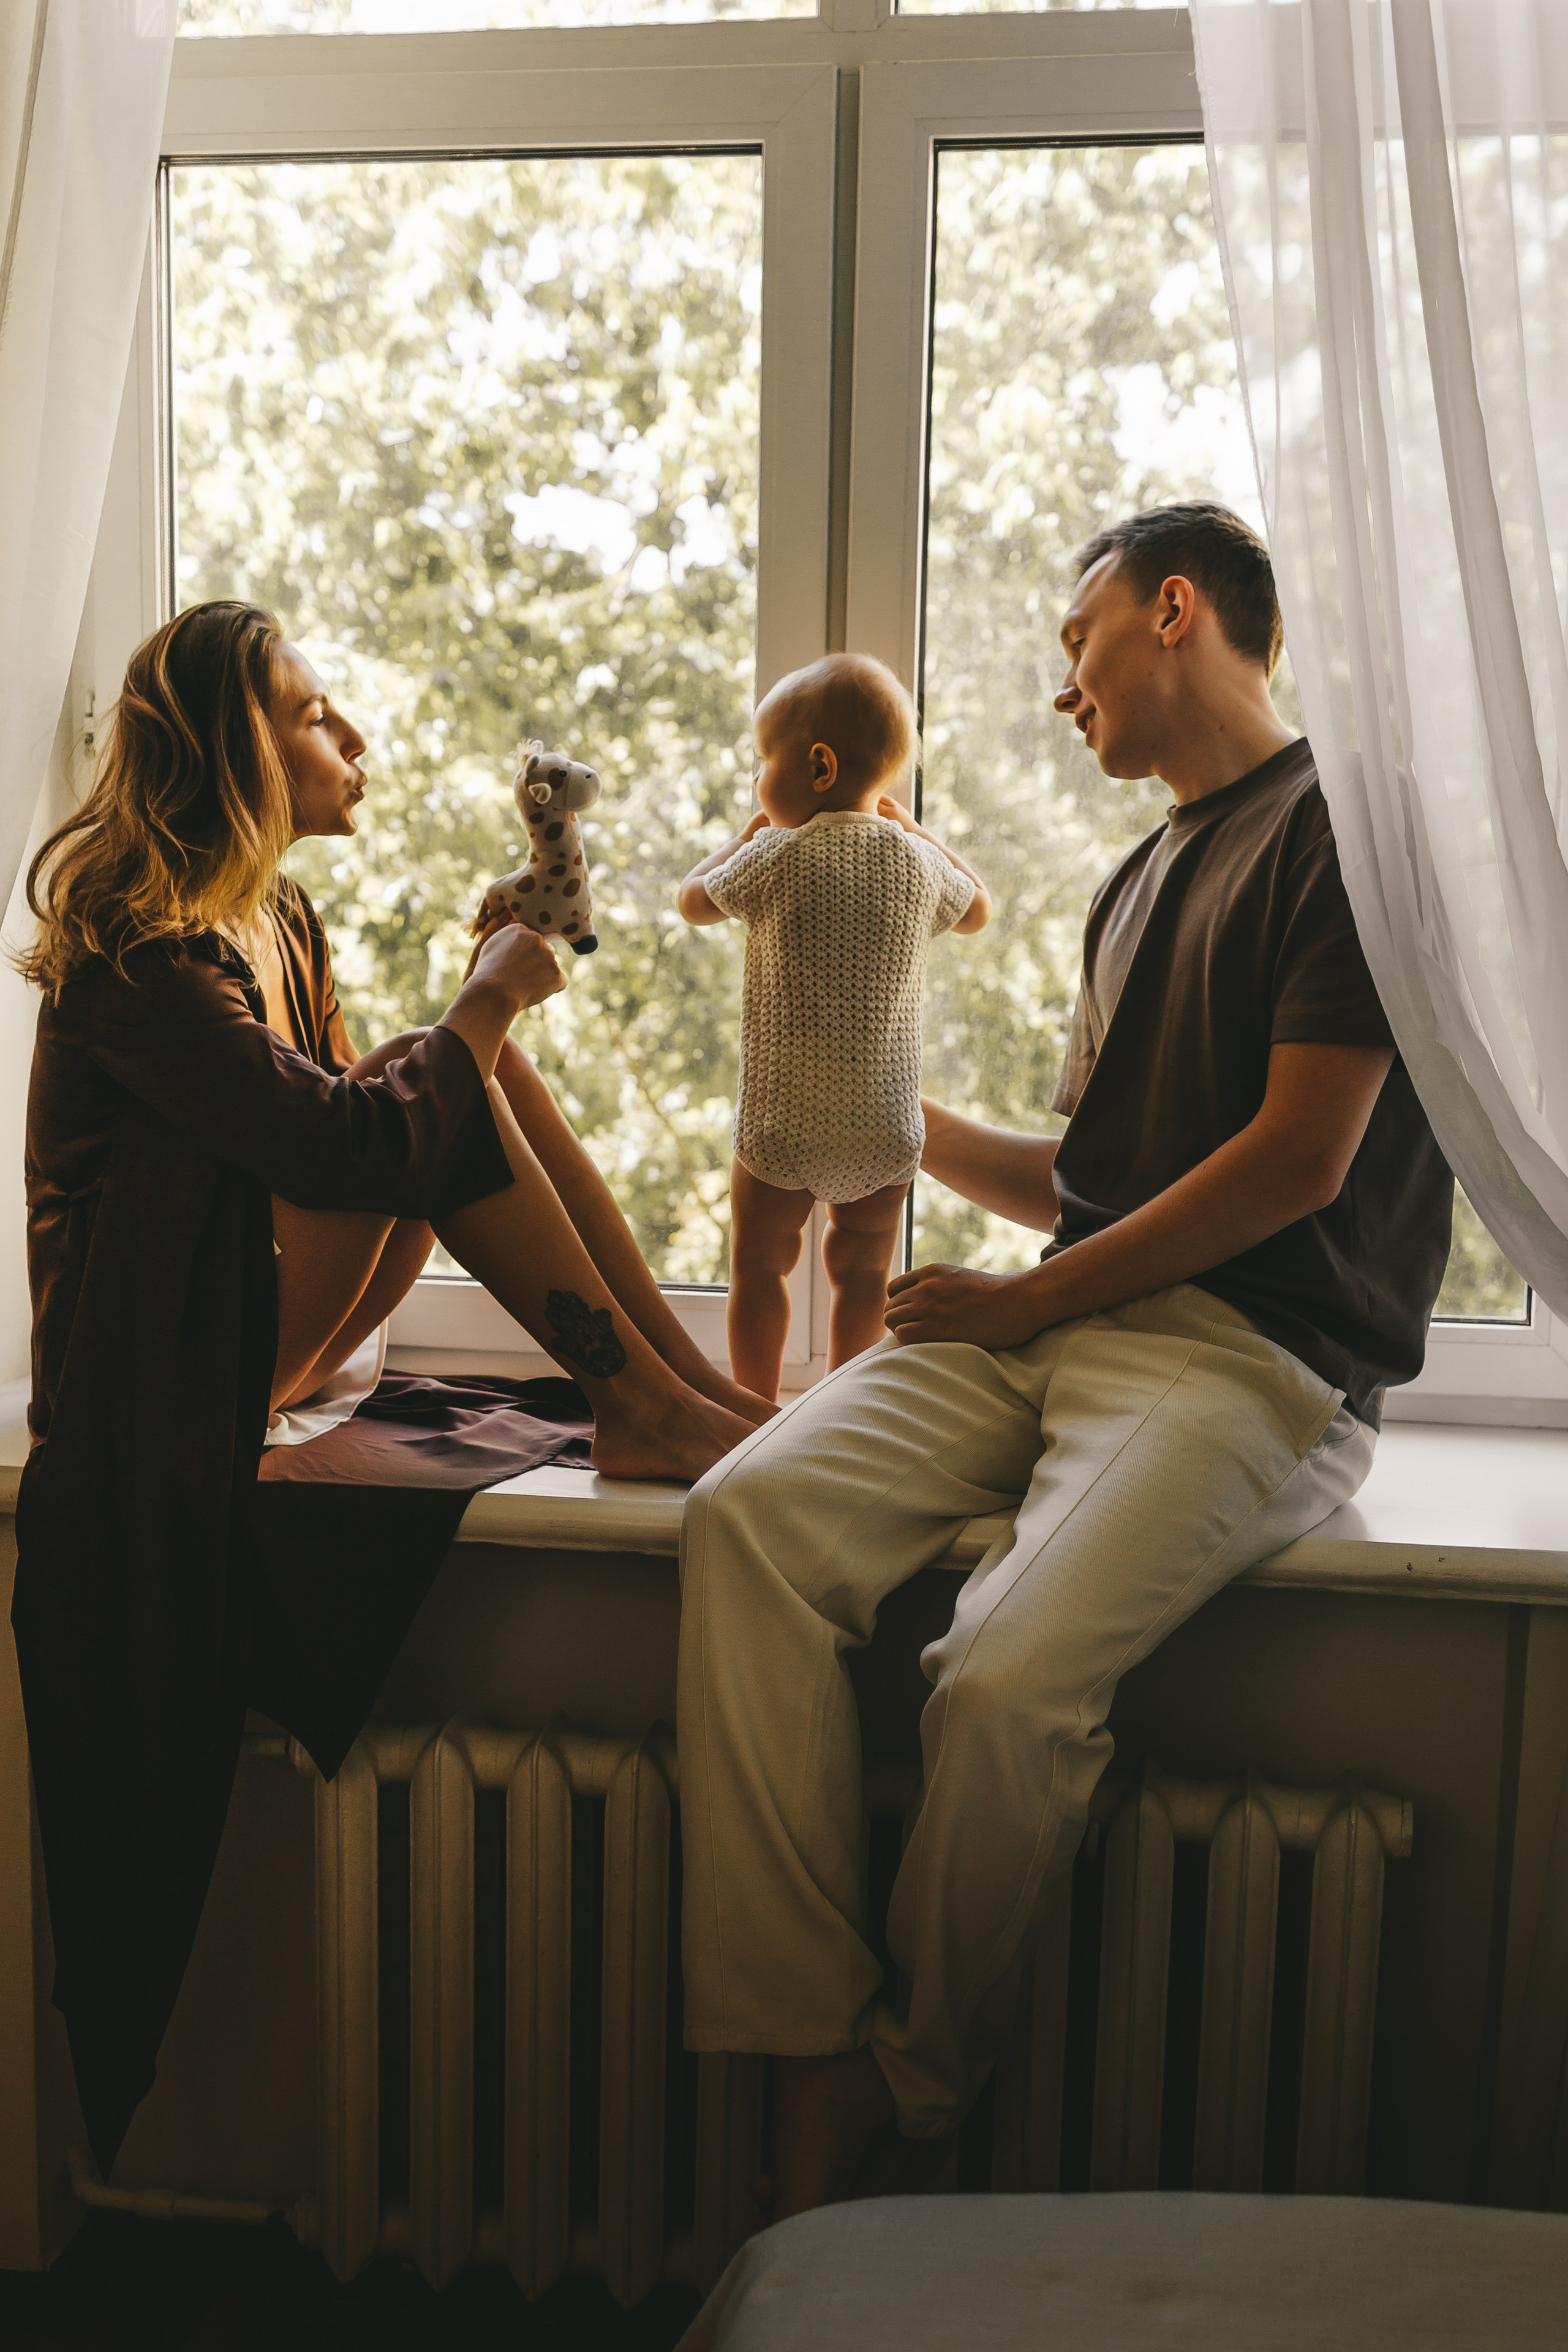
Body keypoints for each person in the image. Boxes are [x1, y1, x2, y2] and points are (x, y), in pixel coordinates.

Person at [674, 503, 1455, 2218]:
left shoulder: (1350, 828)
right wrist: (869, 1112)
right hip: (1071, 1314)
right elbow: (1091, 1184)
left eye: (1074, 639)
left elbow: (1296, 1162)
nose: (1059, 688)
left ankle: (902, 2088)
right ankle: (802, 2028)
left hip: (1253, 1353)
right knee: (743, 1520)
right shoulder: (1140, 874)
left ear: (1171, 611)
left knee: (1001, 1680)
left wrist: (1029, 1303)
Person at [13, 599, 766, 2168]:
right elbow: (353, 1146)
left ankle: (681, 1389)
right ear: (235, 748)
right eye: (314, 714)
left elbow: (377, 1126)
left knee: (465, 1073)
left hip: (254, 1339)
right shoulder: (139, 946)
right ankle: (649, 1403)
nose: (352, 740)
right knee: (450, 1067)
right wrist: (480, 1000)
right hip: (155, 1380)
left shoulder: (277, 920)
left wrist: (475, 1026)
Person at [678, 655, 989, 1401]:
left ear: (818, 767)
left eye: (764, 763)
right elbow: (978, 908)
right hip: (883, 1128)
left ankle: (754, 1412)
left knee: (759, 1268)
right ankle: (833, 1414)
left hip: (782, 1122)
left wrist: (742, 839)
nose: (758, 782)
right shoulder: (916, 865)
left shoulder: (774, 855)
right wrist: (915, 830)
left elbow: (691, 902)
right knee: (862, 1275)